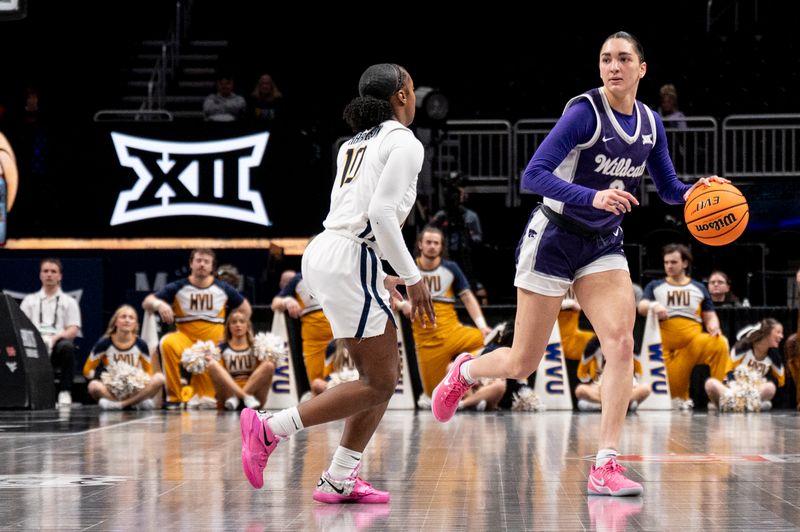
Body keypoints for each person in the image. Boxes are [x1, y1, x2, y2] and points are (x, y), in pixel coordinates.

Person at [430, 31, 730, 496]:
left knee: (620, 342)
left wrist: (696, 192)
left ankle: (605, 464)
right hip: (552, 237)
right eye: (606, 58)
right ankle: (465, 372)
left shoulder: (651, 123)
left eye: (624, 58)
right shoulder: (584, 113)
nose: (614, 66)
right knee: (523, 362)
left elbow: (668, 188)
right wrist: (595, 195)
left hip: (602, 243)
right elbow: (534, 174)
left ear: (641, 69)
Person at [240, 63, 434, 504]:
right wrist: (412, 276)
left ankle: (339, 478)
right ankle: (269, 429)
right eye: (411, 87)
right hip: (350, 254)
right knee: (381, 382)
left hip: (332, 249)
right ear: (402, 95)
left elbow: (360, 211)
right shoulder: (403, 141)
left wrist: (379, 270)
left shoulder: (353, 144)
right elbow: (382, 216)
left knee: (378, 377)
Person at [142, 248, 251, 407]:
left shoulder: (223, 288)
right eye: (198, 260)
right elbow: (147, 301)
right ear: (191, 263)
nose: (202, 264)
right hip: (185, 338)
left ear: (212, 266)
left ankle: (211, 395)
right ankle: (175, 397)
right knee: (167, 342)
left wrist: (232, 333)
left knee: (206, 399)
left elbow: (246, 309)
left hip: (214, 343)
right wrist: (159, 304)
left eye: (206, 262)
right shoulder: (178, 287)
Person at [395, 225, 490, 398]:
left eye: (436, 243)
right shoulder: (407, 269)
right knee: (434, 395)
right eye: (429, 242)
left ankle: (462, 370)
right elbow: (384, 294)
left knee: (489, 341)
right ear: (420, 244)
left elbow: (468, 297)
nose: (432, 246)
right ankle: (472, 396)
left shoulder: (451, 268)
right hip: (427, 342)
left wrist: (482, 326)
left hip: (453, 332)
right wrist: (402, 305)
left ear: (441, 246)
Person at [639, 244, 731, 405]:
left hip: (692, 344)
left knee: (720, 343)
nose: (669, 266)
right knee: (676, 399)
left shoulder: (699, 287)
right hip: (666, 348)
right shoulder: (655, 285)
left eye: (673, 262)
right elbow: (641, 307)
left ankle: (719, 395)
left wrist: (714, 325)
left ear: (685, 264)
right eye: (666, 262)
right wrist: (653, 306)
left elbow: (710, 316)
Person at [20, 258, 82, 406]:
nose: (49, 275)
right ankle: (28, 393)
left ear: (60, 276)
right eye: (45, 271)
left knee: (67, 346)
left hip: (57, 347)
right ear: (40, 275)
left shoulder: (69, 302)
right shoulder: (29, 301)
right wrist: (38, 339)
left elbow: (73, 329)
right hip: (34, 345)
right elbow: (21, 327)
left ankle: (64, 392)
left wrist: (54, 338)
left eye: (53, 271)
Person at [82, 305, 166, 410]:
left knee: (159, 378)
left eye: (131, 318)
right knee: (93, 386)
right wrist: (106, 380)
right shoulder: (104, 343)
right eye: (123, 317)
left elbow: (148, 373)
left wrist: (137, 382)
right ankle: (136, 403)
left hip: (134, 388)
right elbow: (87, 370)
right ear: (116, 322)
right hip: (113, 389)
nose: (127, 320)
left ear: (135, 324)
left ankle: (120, 405)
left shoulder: (141, 344)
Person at [271, 270, 334, 396]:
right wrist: (287, 301)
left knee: (344, 379)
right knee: (317, 385)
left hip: (342, 339)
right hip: (314, 343)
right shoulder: (298, 279)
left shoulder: (336, 273)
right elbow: (275, 303)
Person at [705, 318, 785, 411]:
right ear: (767, 333)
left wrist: (760, 383)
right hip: (732, 390)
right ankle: (748, 406)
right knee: (710, 384)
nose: (781, 336)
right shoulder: (742, 348)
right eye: (778, 332)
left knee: (770, 388)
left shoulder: (774, 356)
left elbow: (780, 380)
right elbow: (728, 371)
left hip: (754, 393)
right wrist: (737, 389)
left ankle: (737, 406)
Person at [207, 308, 273, 410]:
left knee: (269, 365)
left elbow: (267, 373)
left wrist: (270, 354)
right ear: (229, 327)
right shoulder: (221, 348)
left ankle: (239, 397)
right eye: (234, 322)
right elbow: (219, 378)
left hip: (254, 398)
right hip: (228, 397)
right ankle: (243, 396)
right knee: (212, 364)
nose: (238, 325)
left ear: (247, 326)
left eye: (242, 321)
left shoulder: (258, 347)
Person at [575, 338, 650, 412]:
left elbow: (638, 373)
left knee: (646, 388)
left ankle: (604, 405)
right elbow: (582, 374)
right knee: (580, 390)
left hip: (624, 388)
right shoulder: (594, 345)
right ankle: (621, 405)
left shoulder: (628, 343)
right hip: (601, 387)